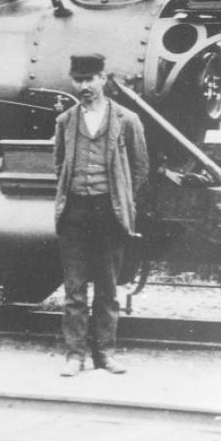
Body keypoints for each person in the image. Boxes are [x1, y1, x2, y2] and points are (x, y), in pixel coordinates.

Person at [54, 53, 148, 377]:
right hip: (75, 214)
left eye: (90, 79)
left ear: (104, 78)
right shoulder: (65, 121)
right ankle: (74, 356)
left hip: (109, 214)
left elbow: (140, 168)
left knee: (107, 289)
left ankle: (105, 354)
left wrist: (121, 198)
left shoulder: (127, 120)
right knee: (74, 290)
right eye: (78, 80)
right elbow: (59, 164)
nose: (84, 86)